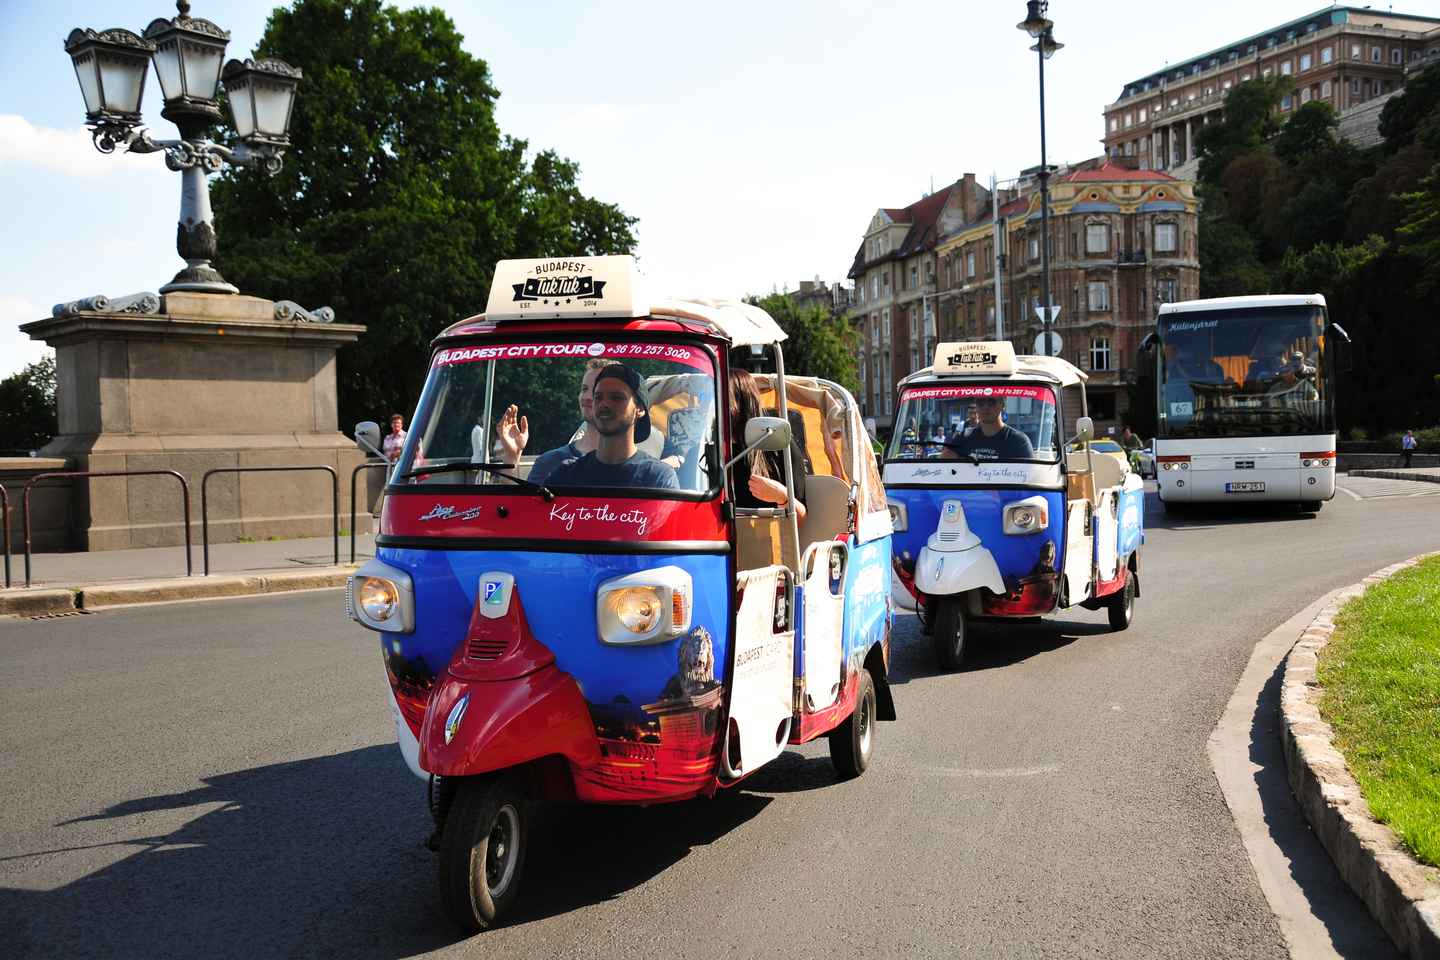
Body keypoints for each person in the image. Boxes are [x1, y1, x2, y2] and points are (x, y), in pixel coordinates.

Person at [545, 364, 680, 490]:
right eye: (598, 397)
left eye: (616, 398)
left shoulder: (658, 478)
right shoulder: (565, 476)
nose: (604, 404)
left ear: (639, 409)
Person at [494, 359, 606, 482]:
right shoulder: (549, 462)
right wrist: (511, 458)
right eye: (584, 389)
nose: (586, 397)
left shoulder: (629, 466)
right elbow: (522, 502)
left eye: (596, 389)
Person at [729, 367, 807, 521]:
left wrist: (782, 495)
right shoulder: (705, 447)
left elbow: (800, 517)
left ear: (741, 403)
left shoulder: (778, 444)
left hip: (765, 540)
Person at [943, 395, 1035, 461]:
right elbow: (944, 466)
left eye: (991, 402)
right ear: (976, 406)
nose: (986, 407)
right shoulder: (965, 436)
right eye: (981, 403)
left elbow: (1029, 478)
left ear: (1002, 405)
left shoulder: (1019, 441)